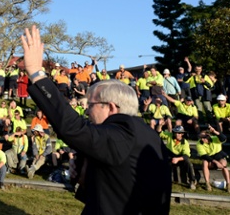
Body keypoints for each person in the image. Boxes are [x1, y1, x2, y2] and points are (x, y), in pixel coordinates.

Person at [21, 25, 171, 214]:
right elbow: (118, 184)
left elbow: (73, 127)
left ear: (111, 107)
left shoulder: (125, 130)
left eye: (90, 105)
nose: (86, 110)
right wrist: (85, 173)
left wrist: (36, 73)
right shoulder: (145, 135)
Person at [157, 125, 196, 190]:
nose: (176, 134)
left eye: (178, 133)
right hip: (169, 155)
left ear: (182, 134)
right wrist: (160, 125)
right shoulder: (170, 135)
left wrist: (177, 159)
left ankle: (192, 181)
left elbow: (186, 155)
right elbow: (159, 132)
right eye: (175, 132)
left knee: (188, 163)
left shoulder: (185, 143)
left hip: (179, 158)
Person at [196, 126, 230, 192]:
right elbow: (204, 155)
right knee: (204, 162)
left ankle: (228, 184)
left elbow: (223, 138)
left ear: (208, 136)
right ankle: (207, 183)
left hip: (218, 155)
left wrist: (214, 131)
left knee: (223, 164)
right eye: (201, 138)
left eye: (204, 138)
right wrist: (215, 162)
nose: (202, 139)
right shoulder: (199, 143)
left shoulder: (215, 138)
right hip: (209, 158)